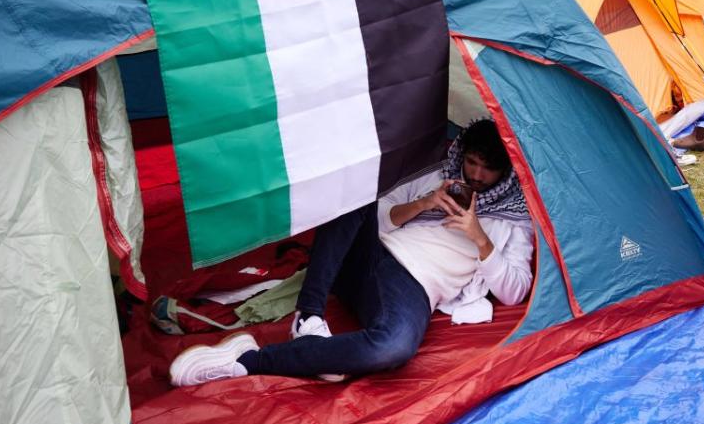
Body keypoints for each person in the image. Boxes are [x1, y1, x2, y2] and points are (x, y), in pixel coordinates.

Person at [168, 119, 534, 387]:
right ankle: (308, 318)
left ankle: (247, 361)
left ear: (507, 171)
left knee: (393, 348)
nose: (476, 174)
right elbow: (377, 215)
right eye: (472, 162)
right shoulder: (438, 177)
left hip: (413, 289)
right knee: (357, 189)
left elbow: (515, 289)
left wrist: (479, 237)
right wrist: (422, 204)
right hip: (368, 255)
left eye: (488, 169)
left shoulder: (515, 221)